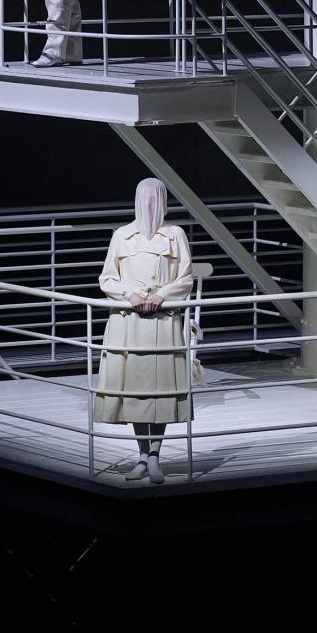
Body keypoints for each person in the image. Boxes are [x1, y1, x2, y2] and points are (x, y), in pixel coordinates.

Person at [92, 178, 197, 484]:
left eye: (155, 199)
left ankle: (155, 457)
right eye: (145, 198)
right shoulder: (122, 235)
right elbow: (107, 279)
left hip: (163, 320)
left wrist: (162, 296)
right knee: (137, 391)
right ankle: (142, 455)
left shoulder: (175, 234)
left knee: (160, 389)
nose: (150, 205)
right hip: (129, 322)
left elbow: (185, 277)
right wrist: (131, 295)